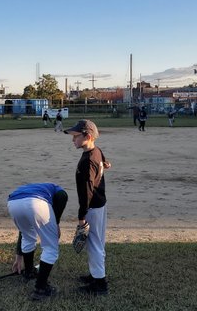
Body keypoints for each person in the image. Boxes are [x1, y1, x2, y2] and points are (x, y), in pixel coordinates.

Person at [64, 119, 111, 295]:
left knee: (95, 245)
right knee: (96, 242)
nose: (73, 139)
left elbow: (87, 192)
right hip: (99, 205)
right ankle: (95, 275)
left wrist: (81, 217)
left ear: (88, 136)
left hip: (93, 207)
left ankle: (100, 285)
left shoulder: (87, 161)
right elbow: (101, 155)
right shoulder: (95, 152)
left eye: (76, 136)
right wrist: (105, 163)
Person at [8, 183, 68, 301]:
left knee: (27, 236)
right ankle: (40, 288)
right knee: (51, 246)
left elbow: (23, 233)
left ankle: (29, 272)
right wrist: (56, 223)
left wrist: (18, 258)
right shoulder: (56, 189)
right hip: (36, 203)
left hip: (12, 203)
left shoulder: (37, 188)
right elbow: (62, 196)